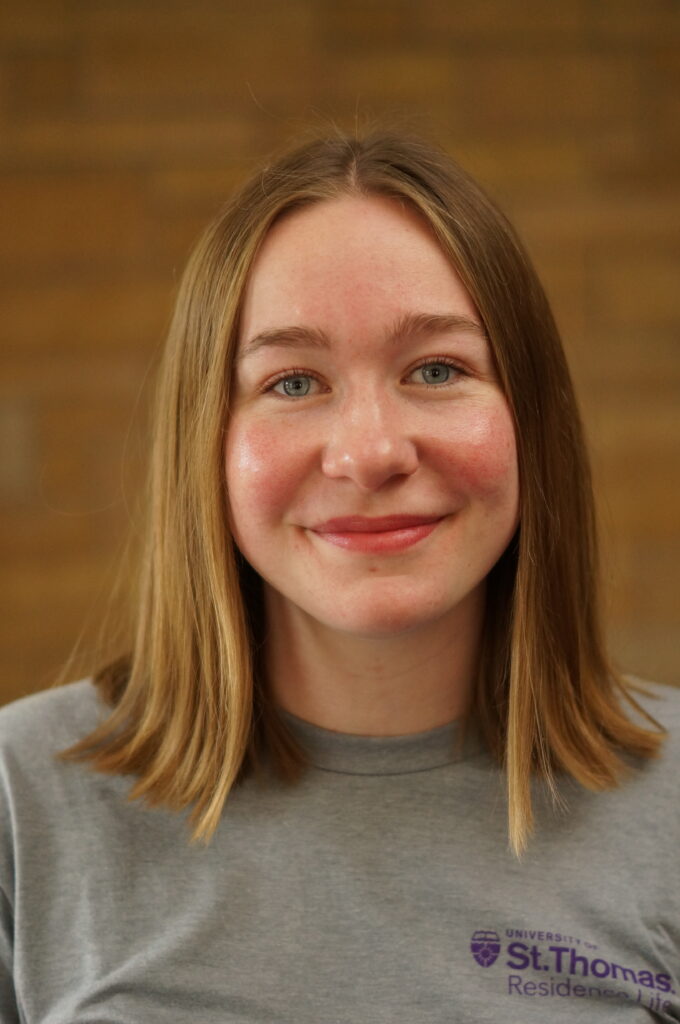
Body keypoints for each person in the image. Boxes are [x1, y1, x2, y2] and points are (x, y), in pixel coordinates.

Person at [0, 129, 678, 1023]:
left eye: (437, 369)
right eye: (291, 382)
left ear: (532, 418)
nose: (368, 453)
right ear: (207, 439)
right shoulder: (20, 799)